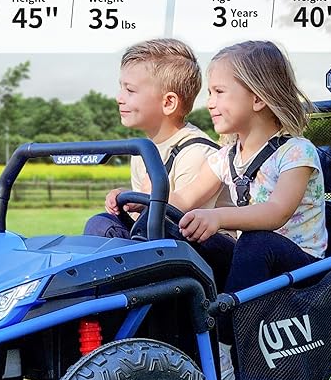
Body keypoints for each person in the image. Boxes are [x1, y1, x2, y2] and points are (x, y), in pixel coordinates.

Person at [168, 40, 328, 380]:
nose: (209, 103)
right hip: (256, 262)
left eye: (219, 92)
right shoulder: (226, 156)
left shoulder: (296, 152)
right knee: (187, 235)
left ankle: (224, 346)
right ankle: (178, 330)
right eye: (209, 93)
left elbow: (276, 213)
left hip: (304, 267)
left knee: (256, 241)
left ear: (257, 98)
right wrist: (143, 201)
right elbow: (183, 198)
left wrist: (219, 218)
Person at [83, 38, 233, 241]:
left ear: (169, 102)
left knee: (151, 229)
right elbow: (143, 220)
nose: (119, 98)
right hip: (157, 235)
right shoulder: (141, 151)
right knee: (100, 223)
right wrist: (130, 200)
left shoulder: (196, 152)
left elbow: (181, 222)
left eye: (130, 90)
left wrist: (146, 201)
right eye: (121, 88)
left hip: (199, 244)